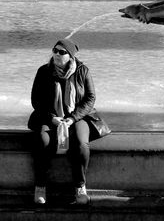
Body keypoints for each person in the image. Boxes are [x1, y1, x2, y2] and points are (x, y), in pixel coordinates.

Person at [28, 38, 109, 205]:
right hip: (50, 117)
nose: (57, 54)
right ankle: (40, 186)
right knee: (42, 141)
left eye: (62, 52)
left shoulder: (82, 71)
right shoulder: (44, 71)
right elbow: (36, 99)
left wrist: (72, 118)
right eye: (55, 51)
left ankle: (80, 187)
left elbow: (90, 98)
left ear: (70, 56)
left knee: (81, 144)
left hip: (78, 117)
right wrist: (52, 118)